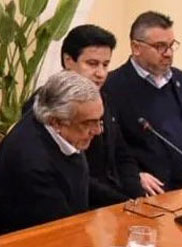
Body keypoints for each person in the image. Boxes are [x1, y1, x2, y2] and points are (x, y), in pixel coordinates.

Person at [103, 11, 182, 192]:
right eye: (160, 47)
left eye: (171, 45)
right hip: (156, 189)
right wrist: (135, 175)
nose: (168, 53)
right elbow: (113, 147)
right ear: (136, 47)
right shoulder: (113, 86)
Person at [0, 70, 103, 234]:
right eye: (88, 123)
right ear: (56, 122)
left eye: (99, 121)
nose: (97, 131)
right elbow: (61, 230)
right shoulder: (32, 162)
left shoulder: (59, 125)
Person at [59, 24, 145, 206]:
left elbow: (123, 155)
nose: (100, 73)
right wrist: (122, 202)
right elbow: (72, 172)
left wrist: (137, 197)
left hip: (116, 201)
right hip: (82, 204)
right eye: (92, 64)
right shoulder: (50, 104)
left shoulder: (103, 98)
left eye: (105, 65)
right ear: (68, 61)